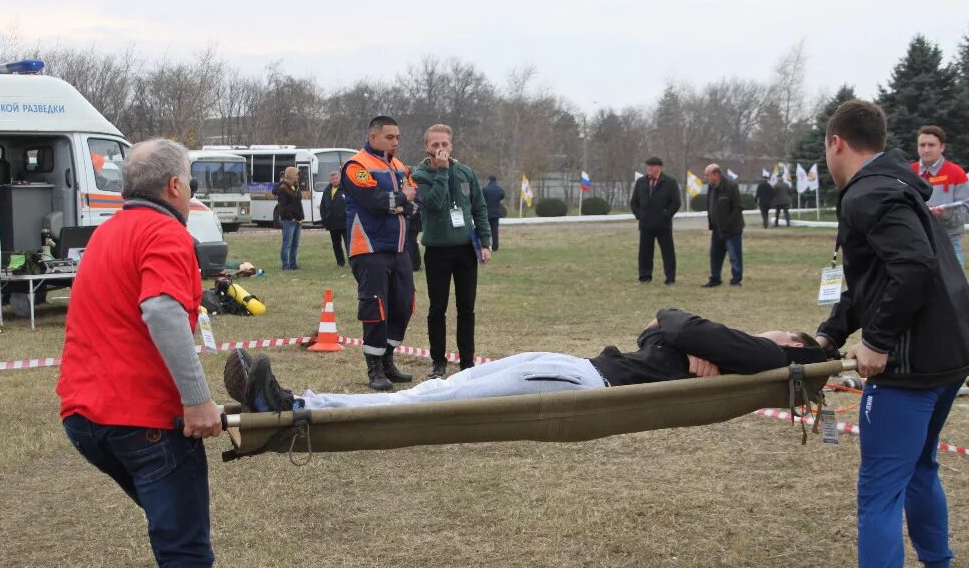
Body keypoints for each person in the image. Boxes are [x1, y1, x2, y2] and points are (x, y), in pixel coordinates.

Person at [56, 139, 237, 568]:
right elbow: (161, 311)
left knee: (173, 530)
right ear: (176, 188)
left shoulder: (108, 233)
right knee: (186, 553)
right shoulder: (166, 235)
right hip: (145, 422)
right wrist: (196, 399)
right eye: (191, 182)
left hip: (87, 421)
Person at [808, 100, 969, 568]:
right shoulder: (894, 185)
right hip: (948, 355)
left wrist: (876, 343)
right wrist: (832, 335)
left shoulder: (869, 193)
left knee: (879, 489)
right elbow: (873, 278)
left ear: (837, 142)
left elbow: (913, 269)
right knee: (921, 465)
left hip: (910, 365)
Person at [223, 307, 827, 412]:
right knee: (430, 394)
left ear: (795, 345)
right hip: (569, 366)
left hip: (577, 379)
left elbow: (671, 320)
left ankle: (295, 404)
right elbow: (668, 334)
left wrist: (673, 330)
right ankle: (292, 401)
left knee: (426, 400)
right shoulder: (742, 352)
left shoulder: (767, 354)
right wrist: (678, 338)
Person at [342, 115, 420, 391]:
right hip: (369, 248)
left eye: (398, 137)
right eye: (390, 137)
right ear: (374, 137)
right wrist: (401, 201)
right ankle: (374, 368)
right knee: (376, 307)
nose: (396, 142)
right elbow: (373, 201)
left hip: (399, 248)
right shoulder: (356, 166)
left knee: (403, 304)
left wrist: (402, 204)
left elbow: (415, 200)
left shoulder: (399, 166)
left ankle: (388, 359)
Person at [412, 123, 492, 379]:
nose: (440, 149)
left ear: (451, 146)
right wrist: (442, 172)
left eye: (444, 144)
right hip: (437, 251)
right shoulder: (420, 175)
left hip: (465, 249)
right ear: (427, 147)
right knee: (438, 308)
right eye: (435, 145)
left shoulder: (466, 173)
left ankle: (467, 361)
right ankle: (438, 361)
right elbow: (433, 203)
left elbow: (478, 208)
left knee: (466, 308)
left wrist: (486, 242)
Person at [913, 125, 969, 372]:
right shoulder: (910, 172)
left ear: (941, 147)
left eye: (931, 145)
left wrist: (944, 215)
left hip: (949, 244)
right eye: (922, 145)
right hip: (917, 245)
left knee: (957, 299)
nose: (926, 150)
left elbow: (967, 209)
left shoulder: (955, 173)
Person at [629, 156, 681, 284]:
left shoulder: (669, 182)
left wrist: (666, 215)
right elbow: (634, 202)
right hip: (646, 224)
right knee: (645, 252)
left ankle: (670, 278)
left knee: (667, 252)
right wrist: (639, 215)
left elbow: (676, 203)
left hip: (663, 225)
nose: (649, 168)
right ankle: (645, 276)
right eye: (648, 166)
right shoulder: (641, 182)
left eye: (652, 166)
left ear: (659, 167)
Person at [702, 163, 744, 287]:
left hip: (732, 230)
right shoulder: (711, 187)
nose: (706, 178)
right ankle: (715, 278)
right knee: (715, 255)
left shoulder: (731, 186)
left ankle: (736, 280)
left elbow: (738, 207)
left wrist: (728, 224)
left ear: (716, 175)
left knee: (734, 256)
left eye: (707, 175)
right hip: (717, 229)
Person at [274, 166, 304, 270]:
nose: (298, 177)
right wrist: (291, 217)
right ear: (291, 175)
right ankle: (285, 265)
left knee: (295, 243)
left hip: (298, 219)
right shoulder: (283, 188)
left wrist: (300, 217)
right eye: (296, 175)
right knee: (287, 243)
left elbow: (298, 201)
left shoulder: (295, 186)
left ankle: (293, 264)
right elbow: (282, 206)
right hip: (289, 220)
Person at [322, 170, 348, 267]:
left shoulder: (346, 189)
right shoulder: (327, 190)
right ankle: (340, 262)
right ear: (330, 180)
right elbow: (323, 206)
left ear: (340, 178)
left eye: (336, 178)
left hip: (345, 222)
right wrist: (324, 218)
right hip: (332, 223)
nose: (334, 180)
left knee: (348, 244)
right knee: (336, 244)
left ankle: (352, 262)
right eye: (332, 179)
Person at [482, 175, 506, 251]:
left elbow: (482, 199)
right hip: (496, 213)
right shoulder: (500, 189)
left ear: (488, 180)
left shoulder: (485, 189)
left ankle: (486, 246)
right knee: (495, 230)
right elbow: (502, 197)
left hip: (487, 213)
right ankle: (495, 247)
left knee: (485, 230)